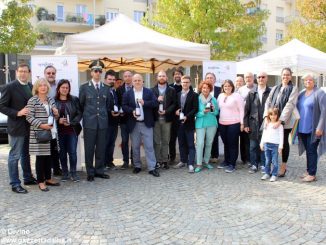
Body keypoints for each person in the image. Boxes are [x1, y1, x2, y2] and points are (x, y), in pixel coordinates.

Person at [0, 63, 37, 194]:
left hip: (29, 126)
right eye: (20, 71)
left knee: (26, 154)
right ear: (16, 72)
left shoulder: (31, 87)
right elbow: (1, 106)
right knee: (14, 155)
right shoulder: (9, 87)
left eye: (25, 71)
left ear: (29, 73)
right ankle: (15, 183)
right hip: (16, 126)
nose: (22, 73)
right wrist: (17, 113)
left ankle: (28, 178)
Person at [79, 60, 112, 181]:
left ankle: (99, 170)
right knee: (89, 148)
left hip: (102, 122)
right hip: (90, 123)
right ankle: (90, 172)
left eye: (100, 71)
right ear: (91, 72)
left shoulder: (106, 88)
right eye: (95, 71)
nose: (98, 73)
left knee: (101, 148)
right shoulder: (84, 87)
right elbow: (81, 105)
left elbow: (108, 105)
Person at [26, 78, 60, 191]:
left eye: (45, 85)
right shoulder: (32, 100)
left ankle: (48, 178)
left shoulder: (50, 100)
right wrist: (42, 125)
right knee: (40, 158)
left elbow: (55, 117)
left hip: (50, 133)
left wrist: (56, 113)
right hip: (39, 134)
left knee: (48, 156)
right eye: (40, 85)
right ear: (37, 87)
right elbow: (29, 117)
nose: (43, 87)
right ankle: (40, 181)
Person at [122, 74, 160, 177]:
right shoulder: (127, 94)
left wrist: (145, 103)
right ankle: (137, 166)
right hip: (134, 124)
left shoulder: (149, 92)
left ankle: (152, 167)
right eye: (135, 80)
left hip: (146, 123)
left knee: (149, 146)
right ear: (132, 82)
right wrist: (132, 111)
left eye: (139, 80)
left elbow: (155, 103)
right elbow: (124, 106)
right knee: (135, 147)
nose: (137, 82)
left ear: (142, 81)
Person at [264, 67, 298, 177]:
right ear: (281, 75)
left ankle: (283, 166)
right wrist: (266, 117)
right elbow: (268, 102)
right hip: (271, 121)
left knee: (283, 143)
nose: (285, 76)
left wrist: (281, 120)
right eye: (284, 74)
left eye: (288, 74)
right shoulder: (275, 88)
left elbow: (290, 105)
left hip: (285, 122)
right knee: (271, 142)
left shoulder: (293, 88)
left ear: (291, 76)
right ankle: (271, 165)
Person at [297, 74, 326, 182]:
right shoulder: (301, 94)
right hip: (302, 128)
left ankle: (312, 174)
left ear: (314, 81)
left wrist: (320, 127)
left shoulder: (319, 93)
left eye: (310, 80)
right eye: (306, 80)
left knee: (312, 150)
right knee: (309, 151)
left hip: (314, 129)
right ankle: (309, 170)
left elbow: (324, 111)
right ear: (303, 82)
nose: (308, 81)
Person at [55, 79, 82, 182]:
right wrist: (58, 120)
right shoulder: (53, 100)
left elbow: (79, 113)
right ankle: (65, 173)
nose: (65, 89)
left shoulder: (74, 99)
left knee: (72, 153)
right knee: (62, 153)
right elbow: (50, 116)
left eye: (67, 87)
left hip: (72, 131)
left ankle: (73, 173)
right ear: (58, 88)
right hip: (59, 132)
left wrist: (72, 122)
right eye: (63, 87)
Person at [244, 72, 271, 174]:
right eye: (259, 77)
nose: (261, 79)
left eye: (263, 77)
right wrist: (246, 124)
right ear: (256, 79)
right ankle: (254, 164)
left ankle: (264, 164)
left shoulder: (270, 92)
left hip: (266, 123)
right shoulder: (251, 93)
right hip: (253, 123)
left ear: (266, 78)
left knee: (264, 145)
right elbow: (246, 110)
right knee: (253, 146)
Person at [217, 80, 244, 173]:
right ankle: (226, 160)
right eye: (225, 86)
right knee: (226, 143)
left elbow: (241, 110)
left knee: (233, 144)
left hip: (234, 123)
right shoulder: (220, 96)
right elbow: (217, 108)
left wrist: (242, 123)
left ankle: (232, 164)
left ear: (232, 87)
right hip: (222, 123)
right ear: (223, 87)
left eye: (229, 86)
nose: (227, 87)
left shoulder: (237, 96)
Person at [152, 70, 176, 169]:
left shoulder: (172, 90)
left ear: (166, 78)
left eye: (163, 76)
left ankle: (165, 160)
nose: (162, 77)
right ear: (157, 78)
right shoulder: (152, 90)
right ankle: (157, 160)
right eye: (160, 76)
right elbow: (150, 103)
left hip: (167, 119)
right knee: (157, 141)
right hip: (156, 119)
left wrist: (166, 111)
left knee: (166, 140)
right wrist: (156, 100)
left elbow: (174, 104)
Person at [173, 75, 198, 173]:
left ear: (190, 83)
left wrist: (187, 116)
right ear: (181, 83)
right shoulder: (178, 94)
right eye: (183, 82)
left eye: (187, 82)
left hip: (189, 123)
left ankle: (191, 164)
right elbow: (176, 106)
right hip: (179, 123)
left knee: (191, 144)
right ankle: (183, 161)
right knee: (181, 143)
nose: (185, 84)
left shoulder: (194, 95)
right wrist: (176, 111)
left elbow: (195, 109)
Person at [194, 80, 219, 173]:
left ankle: (206, 161)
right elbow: (195, 112)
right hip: (200, 123)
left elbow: (217, 112)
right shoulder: (197, 99)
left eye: (208, 88)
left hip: (212, 123)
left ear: (210, 89)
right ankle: (199, 163)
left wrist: (212, 110)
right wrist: (202, 112)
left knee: (209, 143)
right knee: (200, 144)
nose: (205, 89)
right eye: (204, 88)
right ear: (201, 88)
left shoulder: (213, 99)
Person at [44, 65, 62, 176]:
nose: (51, 75)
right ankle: (46, 171)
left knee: (55, 146)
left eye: (53, 73)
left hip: (57, 119)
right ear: (45, 74)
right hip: (44, 121)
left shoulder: (59, 85)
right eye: (48, 73)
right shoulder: (40, 86)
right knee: (46, 146)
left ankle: (56, 168)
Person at [260, 108, 284, 182]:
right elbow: (264, 134)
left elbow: (281, 136)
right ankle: (267, 173)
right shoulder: (267, 124)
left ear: (277, 115)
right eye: (271, 115)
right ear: (269, 115)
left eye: (275, 115)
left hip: (275, 146)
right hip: (267, 145)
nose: (273, 116)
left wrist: (280, 147)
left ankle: (274, 174)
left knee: (274, 161)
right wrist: (261, 143)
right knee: (267, 160)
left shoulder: (280, 126)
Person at [238, 72, 256, 166]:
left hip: (255, 116)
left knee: (254, 139)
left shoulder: (257, 88)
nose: (248, 79)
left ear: (253, 78)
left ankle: (254, 158)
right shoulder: (240, 89)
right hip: (244, 116)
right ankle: (245, 158)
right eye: (246, 77)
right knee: (244, 139)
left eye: (250, 77)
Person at [116, 70, 133, 169]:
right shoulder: (119, 90)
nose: (127, 78)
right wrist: (119, 110)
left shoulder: (136, 88)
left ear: (132, 77)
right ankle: (125, 161)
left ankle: (134, 160)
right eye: (125, 76)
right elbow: (117, 103)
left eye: (129, 76)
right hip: (123, 120)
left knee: (135, 141)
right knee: (125, 141)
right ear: (123, 78)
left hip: (134, 119)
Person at [104, 70, 120, 170]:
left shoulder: (114, 91)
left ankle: (110, 161)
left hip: (114, 121)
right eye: (110, 79)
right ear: (105, 79)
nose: (112, 81)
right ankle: (104, 162)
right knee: (105, 143)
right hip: (106, 122)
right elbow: (102, 106)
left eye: (113, 79)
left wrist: (119, 110)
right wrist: (110, 112)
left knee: (112, 143)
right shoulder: (103, 91)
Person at [204, 72, 221, 163]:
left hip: (216, 116)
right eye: (208, 78)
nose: (209, 79)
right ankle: (205, 156)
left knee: (214, 137)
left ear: (215, 80)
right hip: (204, 116)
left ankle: (214, 155)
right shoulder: (202, 90)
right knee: (204, 137)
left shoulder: (220, 89)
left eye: (211, 78)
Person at [168, 67, 184, 164]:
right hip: (171, 117)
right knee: (171, 139)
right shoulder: (169, 87)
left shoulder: (186, 86)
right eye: (176, 74)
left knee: (182, 138)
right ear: (173, 76)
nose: (177, 75)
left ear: (182, 76)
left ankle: (183, 157)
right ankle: (172, 157)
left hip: (182, 117)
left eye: (179, 74)